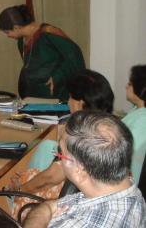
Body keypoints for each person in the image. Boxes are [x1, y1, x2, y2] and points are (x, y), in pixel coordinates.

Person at [8, 69, 115, 217]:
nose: (68, 102)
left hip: (70, 206)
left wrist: (20, 190)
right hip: (98, 200)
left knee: (16, 189)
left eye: (70, 98)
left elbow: (51, 177)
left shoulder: (78, 135)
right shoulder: (112, 128)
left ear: (80, 103)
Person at [24, 111, 146, 228]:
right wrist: (46, 210)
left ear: (79, 170)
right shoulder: (126, 189)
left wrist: (44, 216)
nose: (58, 157)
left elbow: (49, 207)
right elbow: (49, 206)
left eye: (60, 153)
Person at [0, 5, 85, 100]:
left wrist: (58, 76)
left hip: (55, 94)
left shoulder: (49, 33)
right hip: (32, 96)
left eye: (7, 32)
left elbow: (75, 57)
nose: (8, 36)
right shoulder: (21, 41)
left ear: (16, 27)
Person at [123, 64, 146, 182]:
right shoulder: (136, 109)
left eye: (130, 84)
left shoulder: (143, 119)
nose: (126, 86)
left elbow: (126, 150)